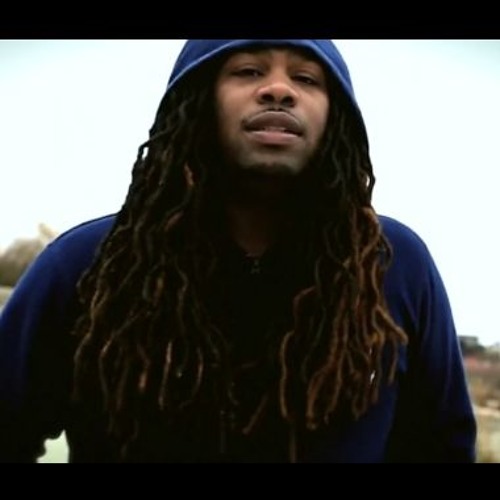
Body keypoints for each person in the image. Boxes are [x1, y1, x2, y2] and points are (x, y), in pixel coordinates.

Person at [0, 39, 477, 463]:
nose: (278, 89)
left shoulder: (394, 264)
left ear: (336, 116)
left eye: (306, 78)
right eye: (248, 71)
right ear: (198, 99)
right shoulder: (88, 264)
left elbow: (442, 446)